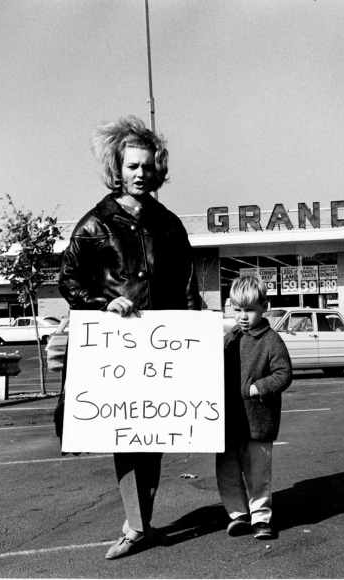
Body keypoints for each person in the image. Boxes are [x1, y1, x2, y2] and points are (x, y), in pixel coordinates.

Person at [58, 115, 201, 560]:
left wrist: (200, 329)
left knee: (155, 434)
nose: (140, 173)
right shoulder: (95, 223)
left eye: (146, 166)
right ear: (117, 170)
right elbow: (67, 281)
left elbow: (187, 287)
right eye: (132, 166)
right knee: (127, 434)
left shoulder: (170, 224)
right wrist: (104, 303)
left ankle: (140, 523)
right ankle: (136, 525)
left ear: (157, 168)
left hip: (165, 349)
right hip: (120, 349)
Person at [218, 276, 292, 540]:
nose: (243, 316)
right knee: (227, 470)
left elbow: (283, 373)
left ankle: (261, 518)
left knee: (258, 472)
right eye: (237, 310)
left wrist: (256, 388)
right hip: (228, 421)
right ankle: (238, 515)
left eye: (249, 310)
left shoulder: (271, 340)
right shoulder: (230, 339)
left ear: (264, 306)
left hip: (258, 421)